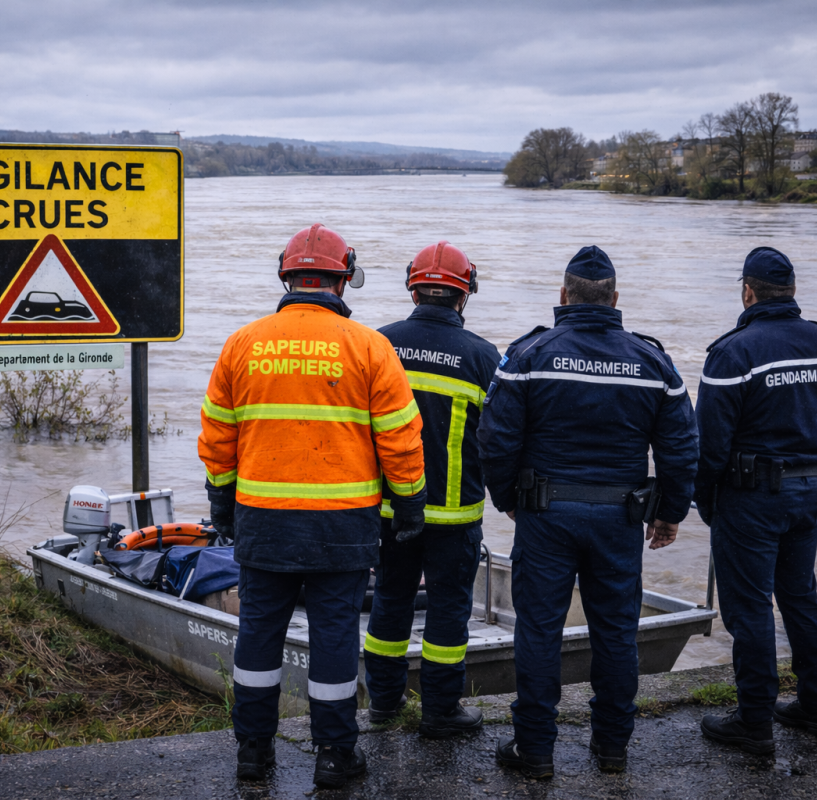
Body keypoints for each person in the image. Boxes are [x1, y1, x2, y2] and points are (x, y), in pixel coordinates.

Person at [197, 224, 426, 789]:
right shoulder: (371, 347)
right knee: (334, 637)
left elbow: (217, 437)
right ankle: (334, 756)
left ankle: (253, 752)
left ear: (287, 276)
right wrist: (411, 505)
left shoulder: (243, 343)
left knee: (258, 635)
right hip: (342, 525)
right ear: (342, 279)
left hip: (262, 519)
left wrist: (222, 502)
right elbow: (401, 437)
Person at [479, 246, 699, 778]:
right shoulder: (653, 362)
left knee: (538, 631)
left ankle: (534, 751)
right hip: (619, 522)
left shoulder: (530, 355)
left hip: (547, 516)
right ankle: (612, 749)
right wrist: (670, 512)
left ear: (563, 296)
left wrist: (509, 499)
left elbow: (495, 439)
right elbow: (682, 447)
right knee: (616, 632)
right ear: (615, 299)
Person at [694, 246, 817, 754]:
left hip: (750, 500)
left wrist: (706, 503)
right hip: (808, 494)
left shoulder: (734, 352)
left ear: (747, 291)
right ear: (792, 291)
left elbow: (709, 448)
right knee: (799, 598)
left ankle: (754, 722)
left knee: (749, 609)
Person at [363, 241, 502, 738]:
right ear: (464, 296)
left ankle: (381, 703)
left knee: (390, 601)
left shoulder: (379, 345)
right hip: (456, 515)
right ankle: (441, 711)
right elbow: (501, 440)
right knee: (448, 612)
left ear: (413, 287)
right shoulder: (486, 358)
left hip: (388, 509)